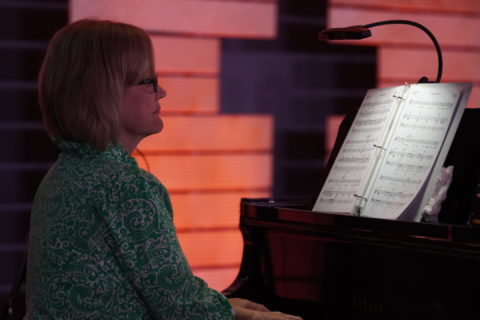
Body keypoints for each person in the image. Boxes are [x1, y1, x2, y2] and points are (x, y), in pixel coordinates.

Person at [24, 19, 302, 320]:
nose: (162, 92)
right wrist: (255, 316)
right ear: (105, 92)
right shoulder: (125, 186)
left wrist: (230, 308)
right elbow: (183, 309)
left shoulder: (64, 172)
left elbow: (160, 291)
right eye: (149, 82)